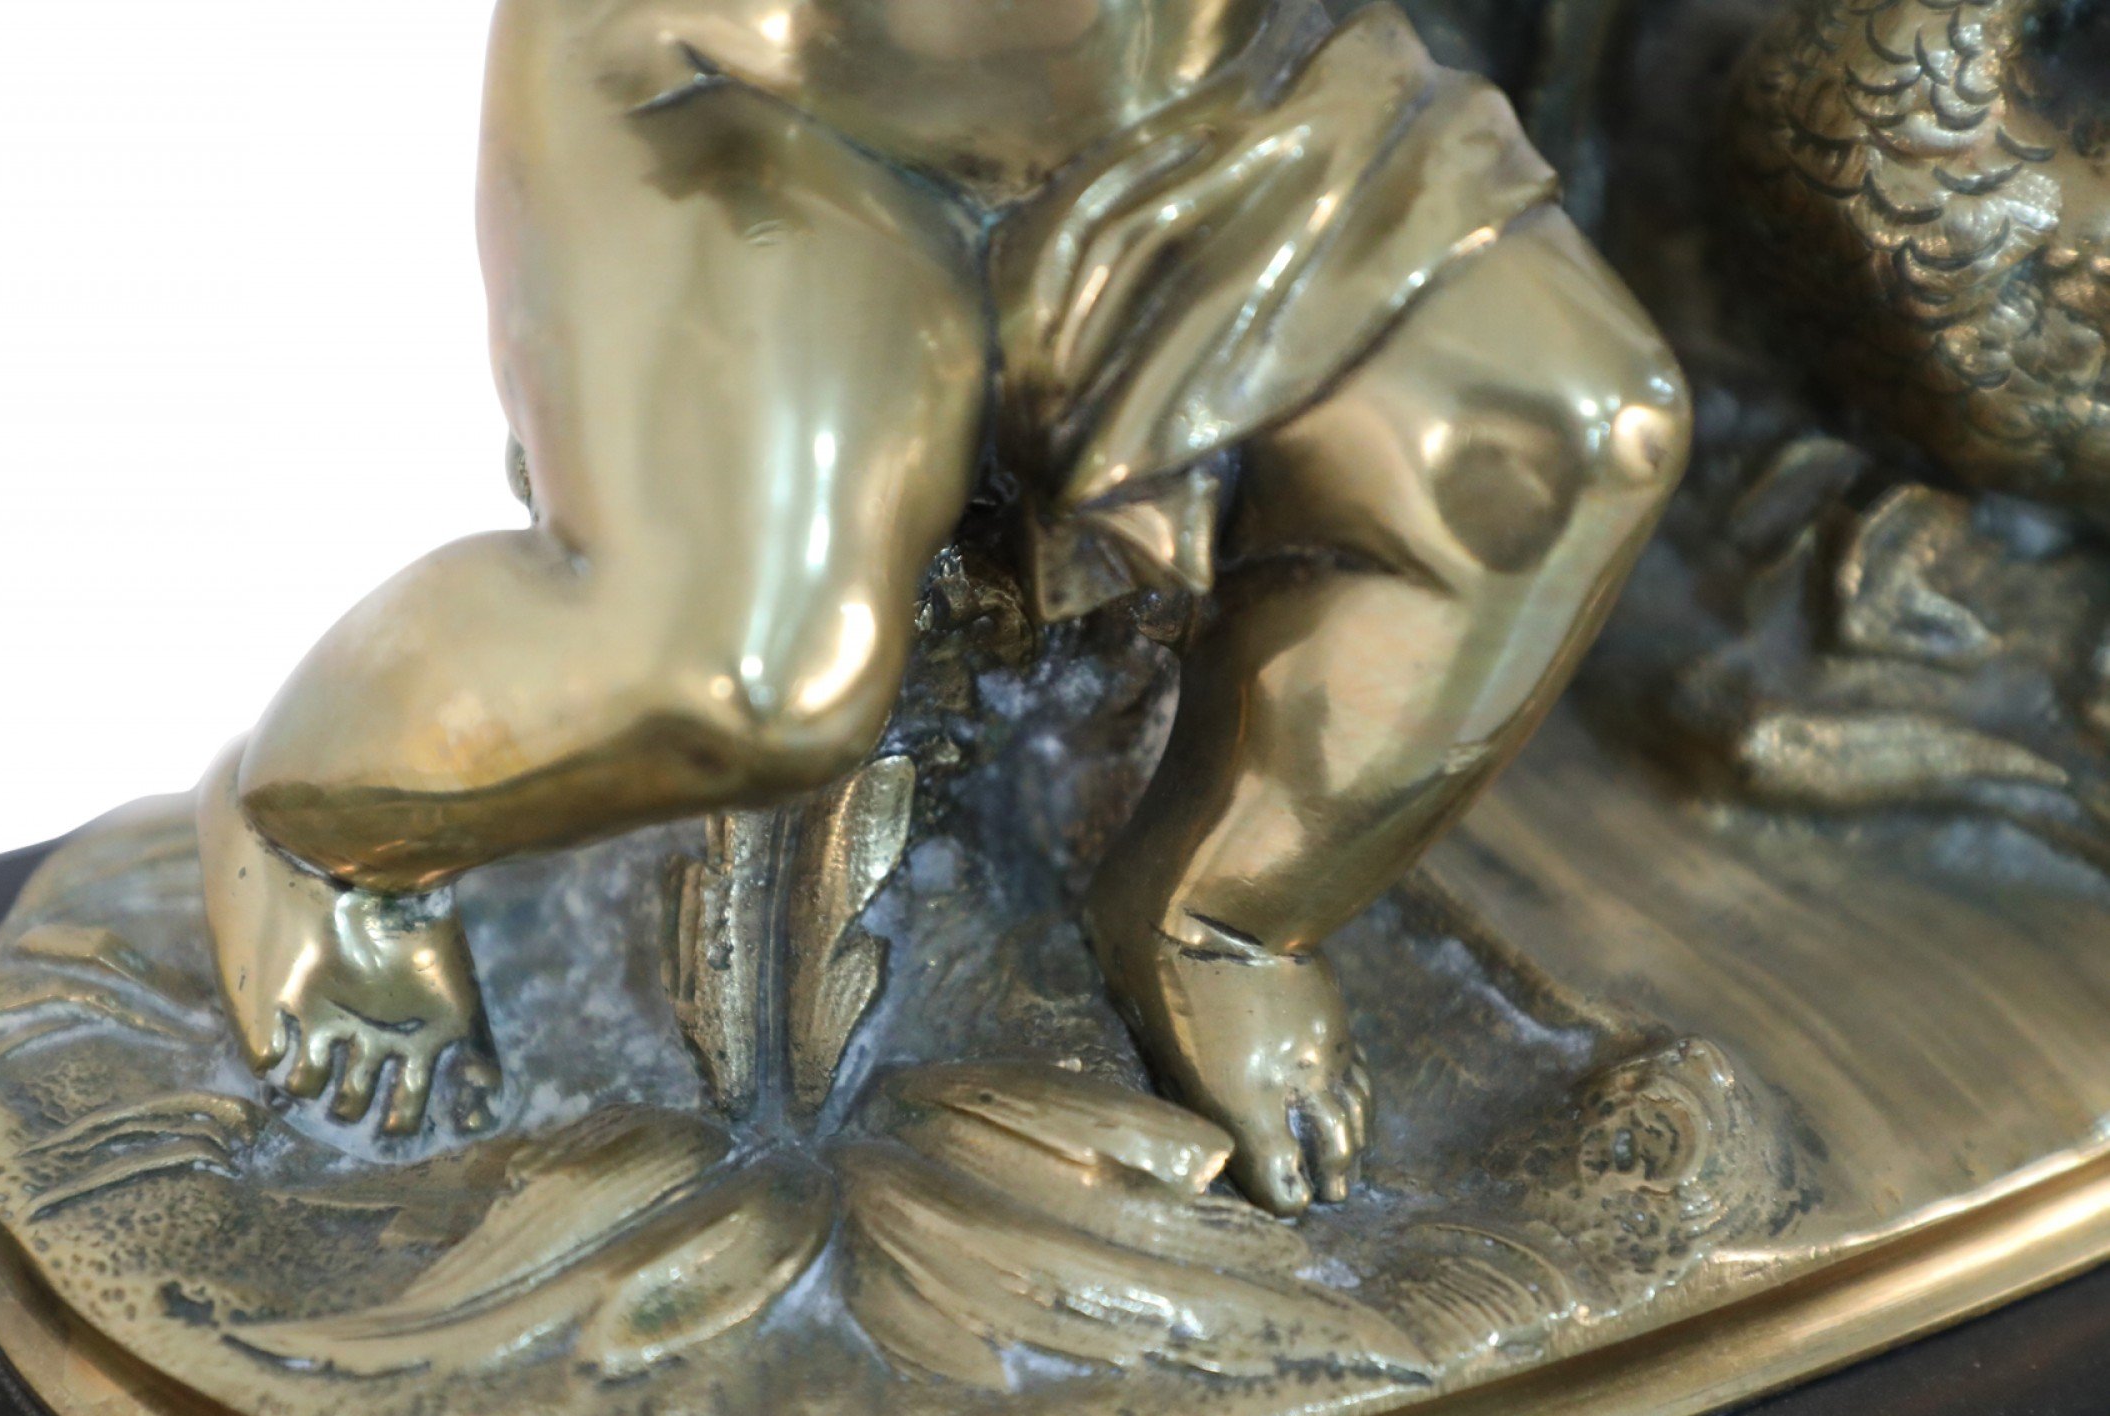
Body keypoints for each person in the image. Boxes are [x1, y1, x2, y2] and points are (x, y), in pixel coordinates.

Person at [199, 0, 1689, 1213]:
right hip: (769, 107)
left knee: (1567, 435)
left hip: (1221, 96)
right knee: (742, 678)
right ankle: (314, 820)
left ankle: (1215, 917)